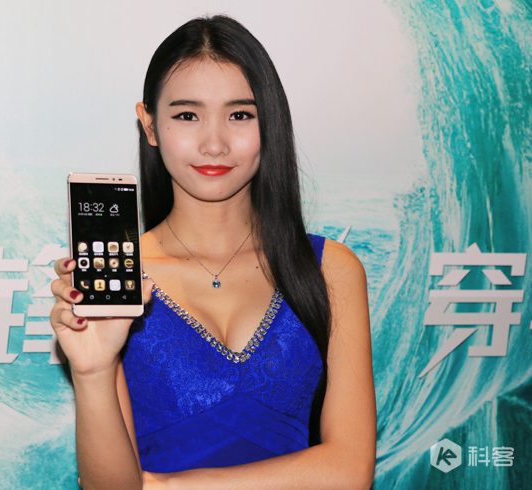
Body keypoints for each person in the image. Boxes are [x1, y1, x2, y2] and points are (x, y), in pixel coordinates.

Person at [51, 15, 376, 490]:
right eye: (187, 115)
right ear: (149, 123)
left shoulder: (330, 269)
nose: (214, 144)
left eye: (240, 115)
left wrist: (167, 486)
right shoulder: (123, 283)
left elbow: (349, 470)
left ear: (270, 122)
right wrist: (93, 370)